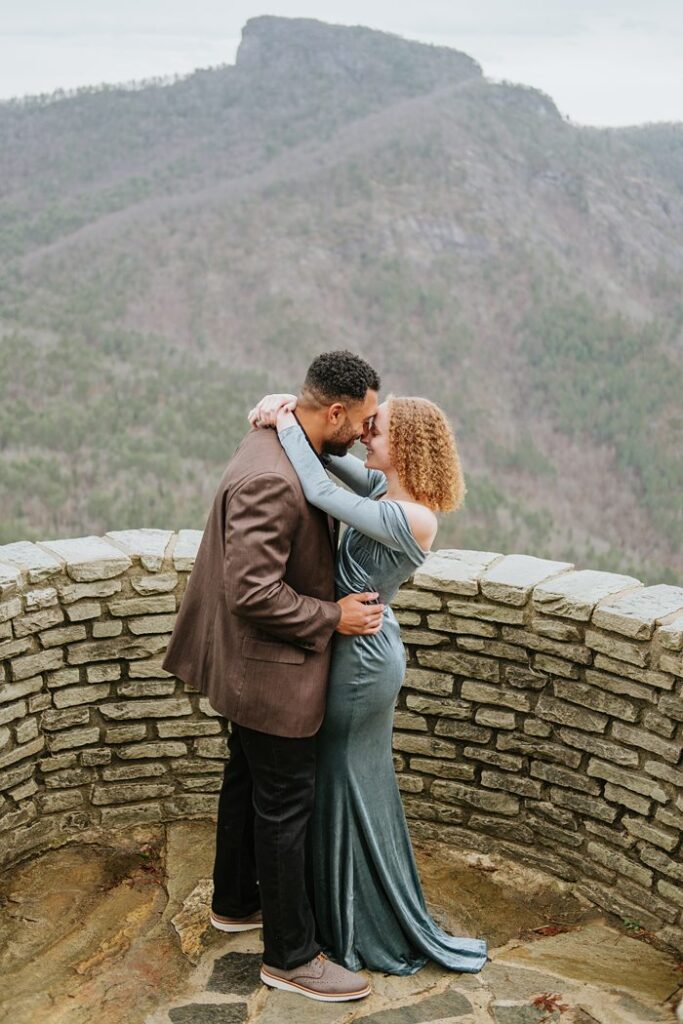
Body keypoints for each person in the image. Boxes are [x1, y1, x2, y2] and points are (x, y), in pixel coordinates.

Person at [161, 351, 388, 1003]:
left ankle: (234, 901)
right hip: (268, 672)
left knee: (247, 779)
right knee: (286, 806)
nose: (365, 434)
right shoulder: (272, 477)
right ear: (335, 410)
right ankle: (290, 957)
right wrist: (333, 616)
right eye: (364, 420)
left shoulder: (277, 439)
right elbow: (252, 591)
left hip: (244, 666)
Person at [249, 389, 489, 976]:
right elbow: (327, 456)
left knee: (342, 779)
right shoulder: (387, 489)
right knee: (348, 781)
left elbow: (320, 488)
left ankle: (355, 920)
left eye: (374, 429)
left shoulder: (415, 516)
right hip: (359, 646)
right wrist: (291, 405)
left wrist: (283, 425)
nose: (362, 434)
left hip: (360, 664)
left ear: (403, 443)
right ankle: (343, 907)